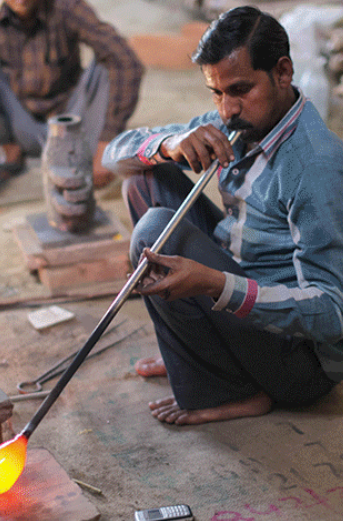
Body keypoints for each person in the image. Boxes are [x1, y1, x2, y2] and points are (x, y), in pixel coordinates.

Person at [103, 6, 343, 426]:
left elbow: (333, 313)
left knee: (156, 232)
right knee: (143, 181)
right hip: (245, 293)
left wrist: (214, 283)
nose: (227, 108)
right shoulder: (241, 121)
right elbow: (114, 156)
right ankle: (202, 354)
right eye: (216, 93)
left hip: (299, 363)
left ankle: (233, 389)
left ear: (283, 72)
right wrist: (172, 143)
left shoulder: (312, 167)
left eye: (239, 89)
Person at [0, 0, 144, 201]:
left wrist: (105, 147)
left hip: (73, 125)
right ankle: (13, 155)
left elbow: (127, 62)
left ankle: (91, 155)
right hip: (20, 124)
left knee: (110, 63)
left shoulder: (68, 7)